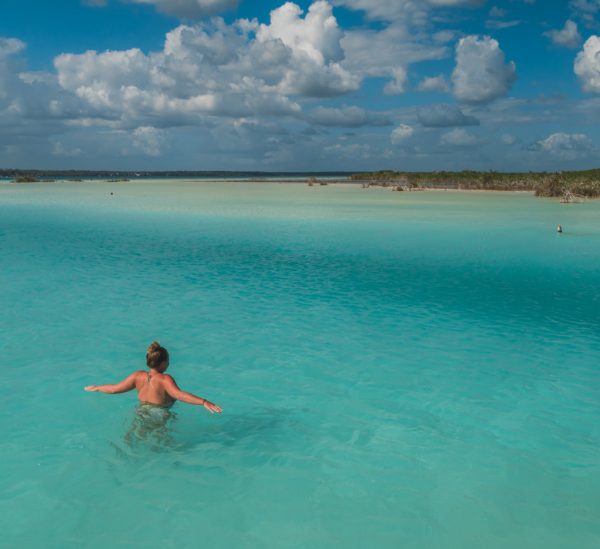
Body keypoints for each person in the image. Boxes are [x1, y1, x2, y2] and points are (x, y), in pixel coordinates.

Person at [84, 341, 222, 414]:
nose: (169, 362)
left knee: (134, 439)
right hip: (159, 414)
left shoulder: (138, 376)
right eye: (168, 360)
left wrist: (97, 387)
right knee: (161, 446)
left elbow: (115, 389)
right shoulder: (165, 379)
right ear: (163, 363)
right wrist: (203, 402)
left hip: (140, 411)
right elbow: (179, 395)